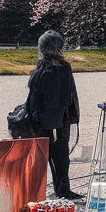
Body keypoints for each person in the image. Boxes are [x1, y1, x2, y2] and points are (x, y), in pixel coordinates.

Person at [27, 30, 82, 200]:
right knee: (61, 156)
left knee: (45, 157)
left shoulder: (42, 68)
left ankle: (42, 190)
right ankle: (62, 188)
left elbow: (34, 98)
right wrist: (73, 115)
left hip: (44, 120)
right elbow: (70, 93)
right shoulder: (63, 67)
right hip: (61, 118)